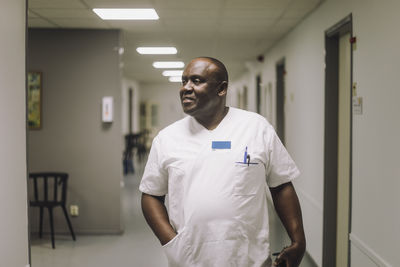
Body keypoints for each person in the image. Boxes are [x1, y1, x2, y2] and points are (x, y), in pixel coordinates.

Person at [140, 57, 306, 267]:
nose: (186, 88)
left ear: (222, 89)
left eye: (196, 81)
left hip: (248, 258)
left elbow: (281, 185)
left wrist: (298, 240)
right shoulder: (167, 139)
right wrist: (171, 241)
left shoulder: (256, 128)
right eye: (184, 81)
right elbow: (151, 194)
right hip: (189, 259)